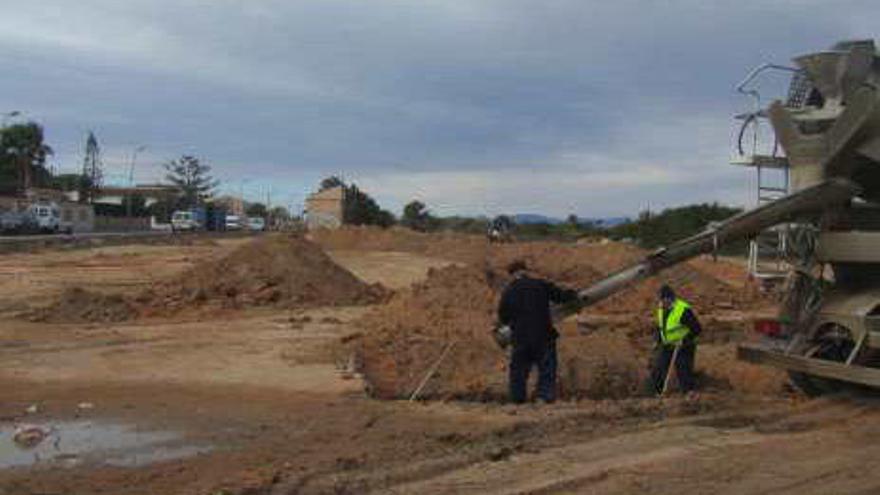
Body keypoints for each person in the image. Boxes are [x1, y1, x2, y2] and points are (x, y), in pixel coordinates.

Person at [497, 260, 578, 404]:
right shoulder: (540, 284)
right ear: (525, 271)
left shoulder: (508, 292)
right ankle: (544, 396)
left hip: (520, 337)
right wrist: (573, 295)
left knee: (519, 371)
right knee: (547, 367)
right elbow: (560, 296)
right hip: (543, 334)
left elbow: (503, 316)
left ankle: (517, 399)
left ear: (512, 274)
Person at [647, 284, 701, 396]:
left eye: (663, 300)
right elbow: (661, 327)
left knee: (683, 369)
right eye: (660, 300)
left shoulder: (683, 310)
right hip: (668, 345)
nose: (661, 303)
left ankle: (689, 394)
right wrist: (658, 340)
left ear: (670, 298)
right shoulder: (661, 309)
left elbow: (697, 328)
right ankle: (657, 393)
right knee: (660, 368)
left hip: (684, 346)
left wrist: (684, 340)